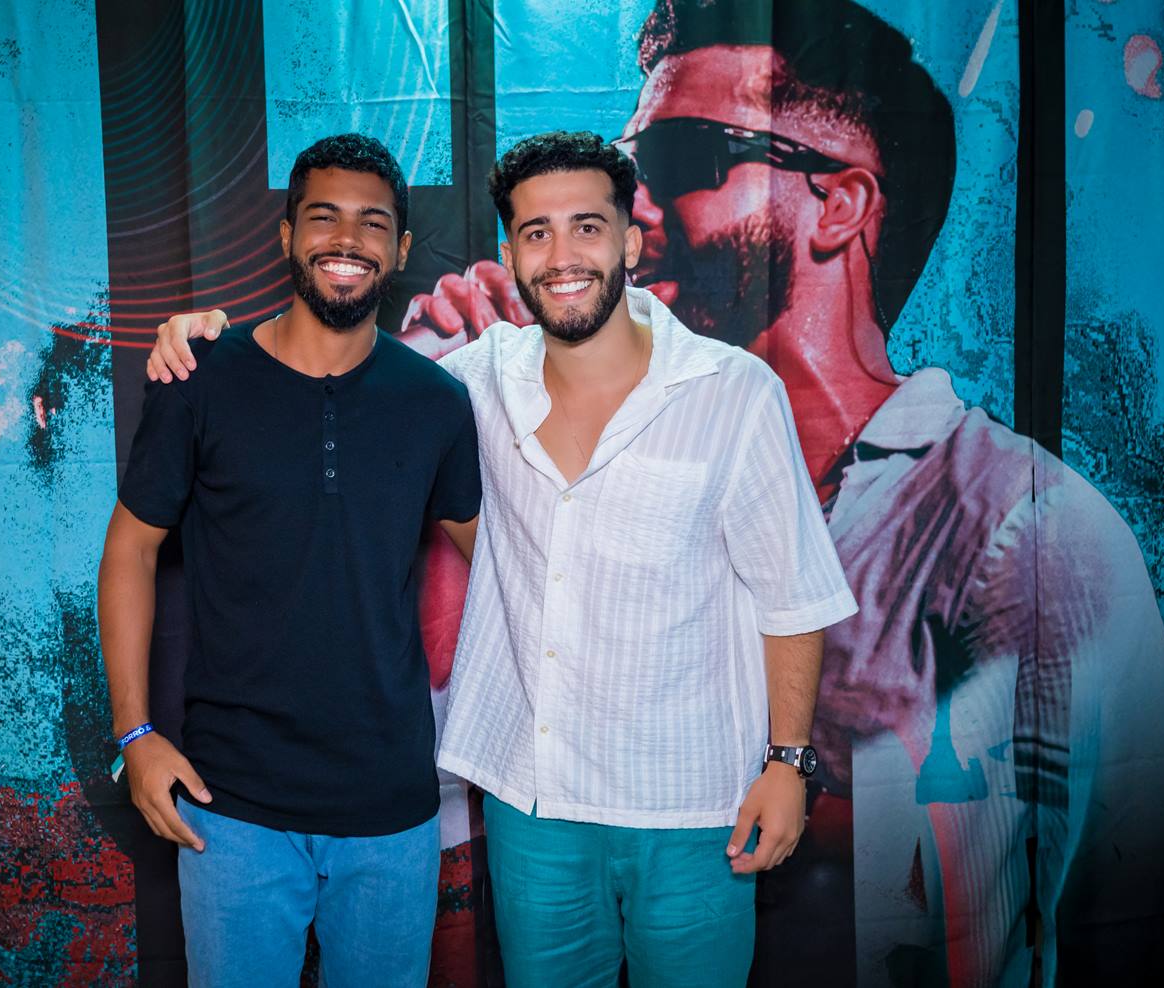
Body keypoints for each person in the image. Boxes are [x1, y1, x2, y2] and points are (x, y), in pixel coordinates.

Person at [148, 130, 858, 986]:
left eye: (587, 227)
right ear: (511, 255)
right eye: (535, 233)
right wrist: (203, 334)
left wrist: (788, 761)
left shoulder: (733, 392)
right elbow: (338, 365)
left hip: (693, 801)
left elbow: (793, 594)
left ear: (631, 242)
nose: (562, 256)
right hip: (534, 802)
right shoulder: (474, 381)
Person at [98, 133, 482, 988]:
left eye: (372, 222)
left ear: (401, 250)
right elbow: (130, 549)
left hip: (390, 810)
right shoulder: (201, 378)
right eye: (323, 216)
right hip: (232, 807)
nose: (347, 239)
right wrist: (135, 735)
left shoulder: (437, 402)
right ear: (285, 235)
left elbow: (510, 561)